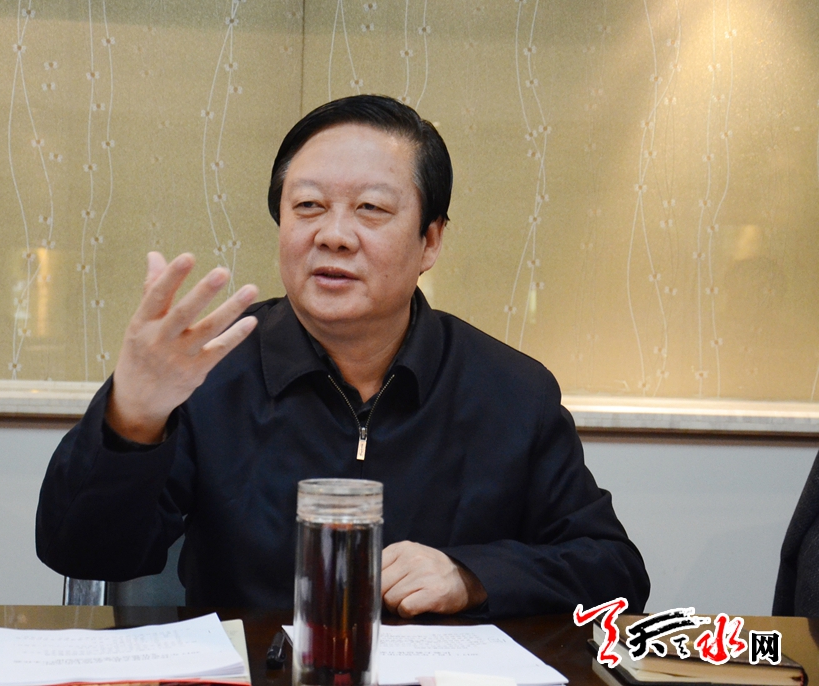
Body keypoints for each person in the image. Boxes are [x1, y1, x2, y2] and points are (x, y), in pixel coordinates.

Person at [36, 95, 649, 619]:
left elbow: (613, 571)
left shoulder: (510, 390)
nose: (332, 235)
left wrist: (472, 576)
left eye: (371, 209)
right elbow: (81, 553)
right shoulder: (207, 372)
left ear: (430, 240)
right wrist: (133, 417)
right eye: (307, 206)